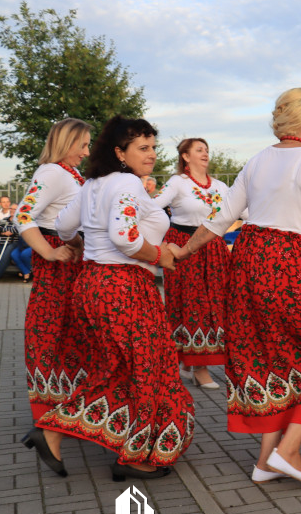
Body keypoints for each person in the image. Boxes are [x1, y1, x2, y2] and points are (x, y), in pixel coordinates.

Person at [180, 88, 301, 485]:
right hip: (291, 262)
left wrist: (182, 252)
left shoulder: (257, 160)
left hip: (249, 259)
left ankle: (266, 461)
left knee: (272, 356)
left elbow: (220, 218)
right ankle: (288, 451)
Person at [30, 116, 194, 481]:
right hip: (124, 286)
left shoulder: (92, 183)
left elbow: (62, 226)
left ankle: (54, 432)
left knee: (118, 369)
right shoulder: (126, 184)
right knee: (149, 369)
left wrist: (87, 244)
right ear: (120, 152)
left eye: (153, 147)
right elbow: (125, 237)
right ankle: (130, 455)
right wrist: (160, 256)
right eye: (142, 148)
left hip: (92, 284)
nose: (151, 154)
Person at [13, 119, 91, 419]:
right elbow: (23, 215)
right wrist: (48, 251)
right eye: (82, 144)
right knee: (54, 332)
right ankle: (52, 414)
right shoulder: (52, 173)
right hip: (60, 268)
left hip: (74, 264)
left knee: (73, 334)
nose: (86, 152)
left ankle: (68, 408)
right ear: (65, 143)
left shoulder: (70, 173)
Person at [151, 138, 233, 390]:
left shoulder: (220, 186)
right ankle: (199, 368)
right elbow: (152, 207)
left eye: (207, 150)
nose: (205, 153)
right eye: (199, 150)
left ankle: (189, 363)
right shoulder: (178, 183)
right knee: (190, 303)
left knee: (215, 305)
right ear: (185, 157)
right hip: (184, 248)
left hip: (214, 248)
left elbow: (243, 211)